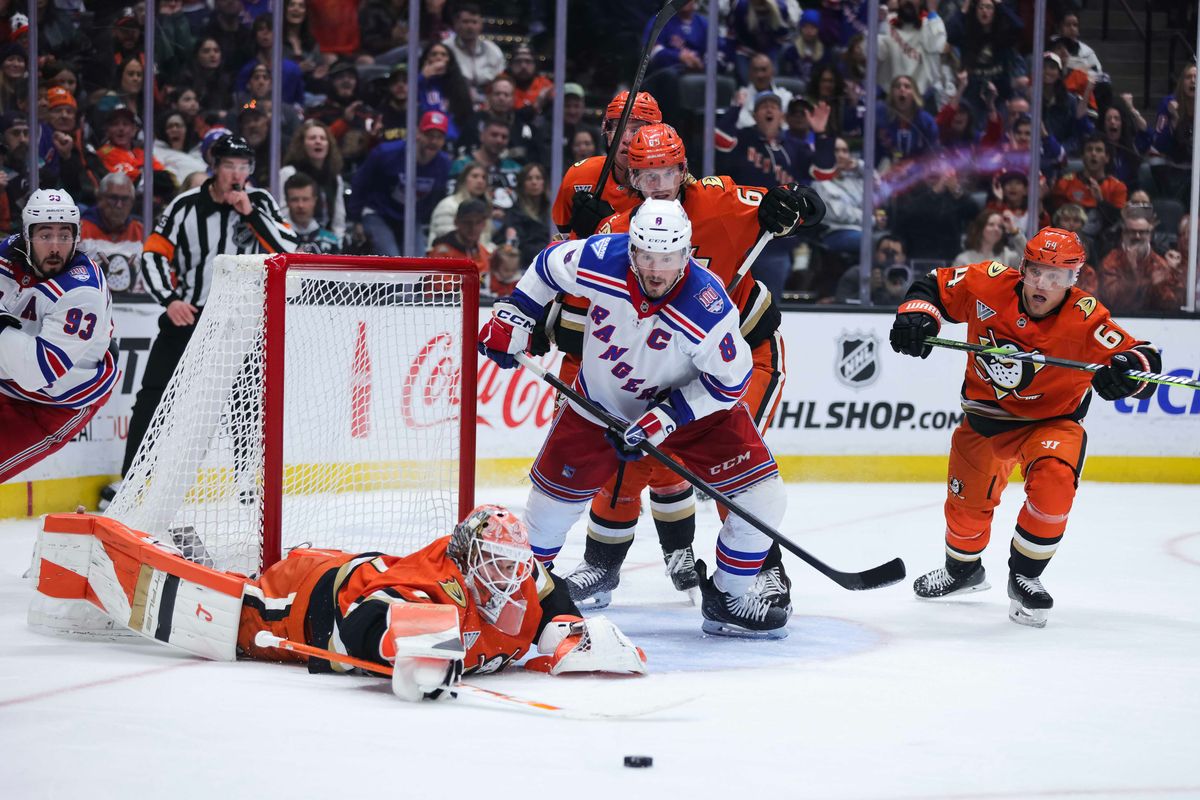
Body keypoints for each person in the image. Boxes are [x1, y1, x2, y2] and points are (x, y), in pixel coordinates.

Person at [477, 199, 793, 639]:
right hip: (598, 404)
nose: (656, 270)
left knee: (763, 499)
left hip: (688, 410)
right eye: (646, 256)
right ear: (632, 251)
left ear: (686, 253)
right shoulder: (603, 257)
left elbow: (732, 381)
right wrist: (516, 312)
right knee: (547, 512)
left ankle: (729, 597)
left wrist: (667, 416)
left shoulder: (707, 306)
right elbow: (549, 265)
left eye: (667, 258)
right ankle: (526, 594)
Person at [558, 124, 823, 614]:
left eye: (667, 172)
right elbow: (573, 319)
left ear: (684, 170)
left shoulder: (721, 200)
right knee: (626, 457)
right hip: (662, 369)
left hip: (742, 358)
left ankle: (761, 574)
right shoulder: (617, 231)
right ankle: (602, 563)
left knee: (735, 465)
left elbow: (797, 208)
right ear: (631, 177)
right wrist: (579, 238)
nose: (658, 183)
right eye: (646, 174)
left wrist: (793, 203)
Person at [32, 504, 646, 702]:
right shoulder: (437, 592)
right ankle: (119, 541)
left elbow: (551, 593)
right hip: (309, 595)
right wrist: (419, 648)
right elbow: (361, 628)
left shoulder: (514, 576)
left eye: (514, 570)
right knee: (231, 617)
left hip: (356, 563)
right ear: (466, 563)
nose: (509, 582)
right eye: (496, 568)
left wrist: (564, 634)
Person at [889, 227, 1162, 628]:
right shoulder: (988, 282)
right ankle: (964, 572)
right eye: (1036, 272)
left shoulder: (1086, 317)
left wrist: (1128, 374)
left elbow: (1144, 357)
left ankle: (1025, 576)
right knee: (965, 517)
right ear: (1022, 268)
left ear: (1074, 280)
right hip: (984, 422)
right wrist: (918, 315)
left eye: (1057, 277)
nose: (1043, 284)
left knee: (1054, 485)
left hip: (1052, 423)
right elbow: (933, 286)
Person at [100, 136, 298, 509]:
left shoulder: (262, 203)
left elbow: (289, 249)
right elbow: (154, 255)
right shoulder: (185, 206)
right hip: (189, 315)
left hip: (242, 320)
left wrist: (250, 214)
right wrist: (169, 300)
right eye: (230, 166)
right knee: (154, 397)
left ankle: (247, 482)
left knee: (247, 402)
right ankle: (133, 478)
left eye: (244, 167)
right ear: (214, 167)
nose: (237, 175)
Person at [0, 189, 117, 483]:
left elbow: (35, 373)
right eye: (45, 235)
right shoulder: (8, 255)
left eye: (64, 236)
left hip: (51, 405)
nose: (55, 247)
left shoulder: (82, 291)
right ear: (26, 236)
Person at [553, 91, 663, 240]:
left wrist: (608, 226)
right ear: (607, 133)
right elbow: (561, 241)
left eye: (637, 130)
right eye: (618, 129)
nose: (626, 139)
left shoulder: (668, 186)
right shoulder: (578, 176)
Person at [346, 111, 452, 257]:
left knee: (418, 264)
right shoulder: (385, 153)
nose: (433, 141)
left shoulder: (444, 164)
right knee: (392, 259)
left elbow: (437, 196)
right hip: (379, 213)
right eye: (429, 135)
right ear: (417, 134)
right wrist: (355, 219)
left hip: (410, 219)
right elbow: (360, 182)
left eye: (439, 137)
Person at [284, 172, 340, 254]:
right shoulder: (277, 238)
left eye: (305, 199)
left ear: (314, 201)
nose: (300, 205)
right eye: (294, 200)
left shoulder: (331, 240)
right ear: (287, 202)